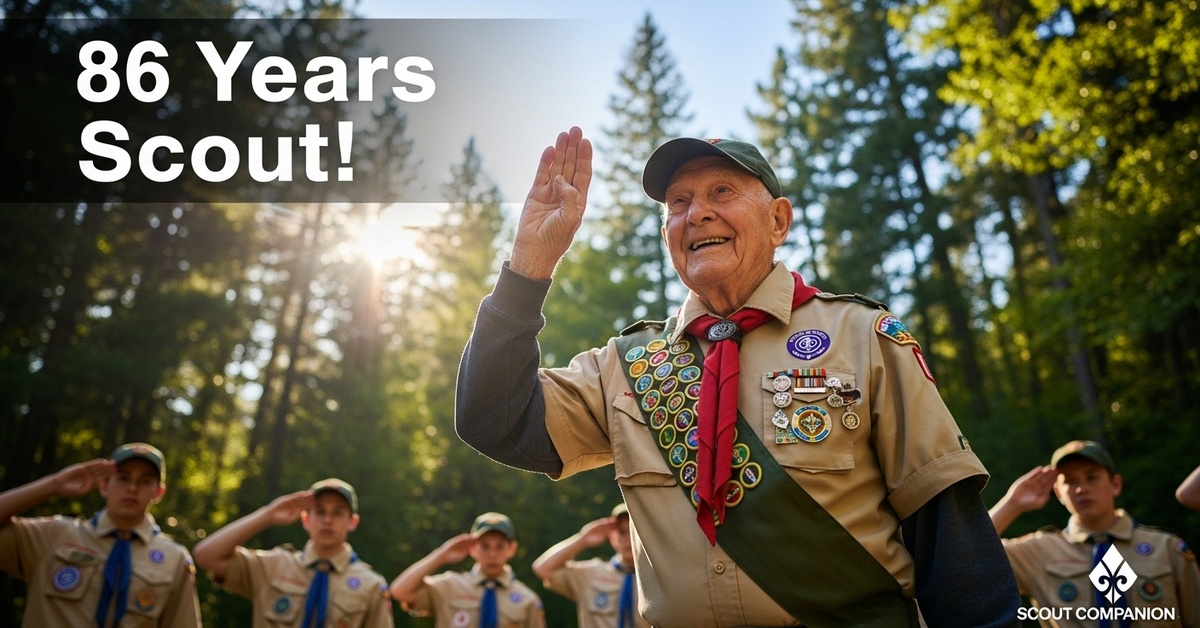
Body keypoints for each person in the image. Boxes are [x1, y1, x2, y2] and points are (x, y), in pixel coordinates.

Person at [452, 126, 1020, 627]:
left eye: (722, 191)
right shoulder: (626, 365)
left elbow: (950, 536)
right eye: (678, 201)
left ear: (778, 220)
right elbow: (494, 419)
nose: (696, 212)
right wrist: (529, 267)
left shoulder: (863, 337)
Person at [989, 440, 1200, 626]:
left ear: (1115, 485)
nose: (1081, 489)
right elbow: (966, 552)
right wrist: (1012, 504)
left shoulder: (1165, 547)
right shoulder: (1038, 551)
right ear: (1058, 493)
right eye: (1070, 481)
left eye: (1092, 477)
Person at [0, 442, 202, 627]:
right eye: (123, 478)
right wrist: (53, 485)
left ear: (158, 493)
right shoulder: (54, 535)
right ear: (104, 484)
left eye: (145, 481)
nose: (132, 488)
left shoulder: (175, 559)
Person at [191, 478, 392, 628]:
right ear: (306, 519)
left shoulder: (370, 585)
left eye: (338, 512)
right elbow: (206, 555)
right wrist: (268, 514)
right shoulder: (273, 566)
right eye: (320, 511)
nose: (327, 520)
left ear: (352, 522)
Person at [390, 511, 545, 628]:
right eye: (485, 546)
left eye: (500, 546)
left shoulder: (527, 600)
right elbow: (399, 591)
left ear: (512, 549)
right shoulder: (449, 586)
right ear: (473, 548)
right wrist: (442, 554)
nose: (492, 554)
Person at [532, 503, 649, 628]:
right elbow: (542, 568)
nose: (629, 539)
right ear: (612, 536)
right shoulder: (590, 574)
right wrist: (582, 539)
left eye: (634, 532)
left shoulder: (657, 577)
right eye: (622, 532)